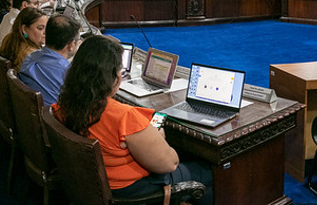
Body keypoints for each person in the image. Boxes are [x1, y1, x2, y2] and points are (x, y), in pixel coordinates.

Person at [51, 36, 212, 203]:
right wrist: (158, 137)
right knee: (207, 172)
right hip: (129, 193)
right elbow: (169, 164)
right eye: (120, 70)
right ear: (112, 77)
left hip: (89, 184)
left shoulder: (64, 105)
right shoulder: (124, 116)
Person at [19, 15, 80, 105]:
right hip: (53, 116)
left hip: (32, 114)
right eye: (78, 40)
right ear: (71, 45)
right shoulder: (68, 73)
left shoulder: (30, 58)